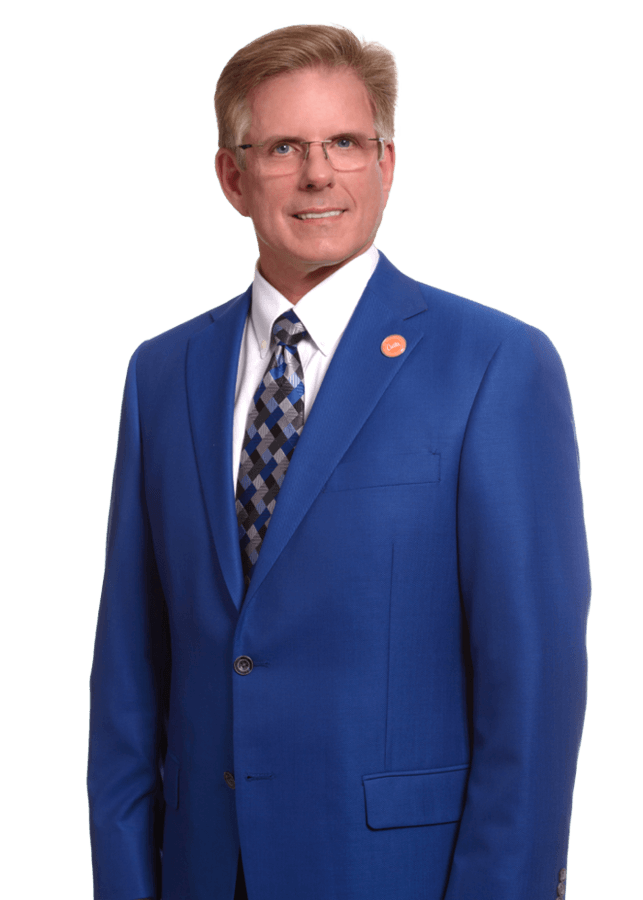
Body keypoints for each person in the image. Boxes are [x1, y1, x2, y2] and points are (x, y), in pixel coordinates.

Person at [87, 22, 590, 900]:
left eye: (347, 144)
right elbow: (130, 673)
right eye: (284, 147)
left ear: (386, 164)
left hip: (397, 874)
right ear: (231, 176)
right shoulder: (162, 373)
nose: (319, 174)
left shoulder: (494, 365)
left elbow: (533, 687)